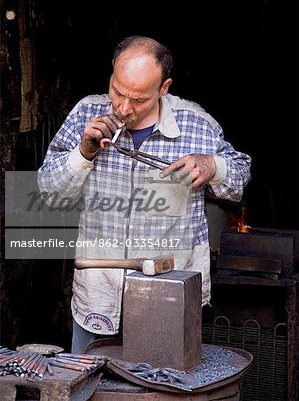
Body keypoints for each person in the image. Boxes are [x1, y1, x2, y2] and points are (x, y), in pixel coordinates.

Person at [38, 36, 251, 353]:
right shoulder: (85, 114)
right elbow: (45, 194)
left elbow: (239, 180)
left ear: (163, 88)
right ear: (112, 72)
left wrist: (213, 166)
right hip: (98, 297)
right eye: (117, 92)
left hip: (168, 298)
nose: (123, 108)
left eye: (138, 100)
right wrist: (82, 153)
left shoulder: (197, 124)